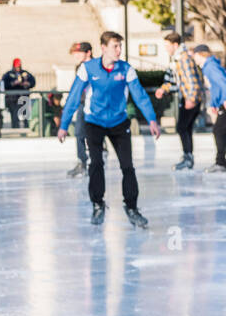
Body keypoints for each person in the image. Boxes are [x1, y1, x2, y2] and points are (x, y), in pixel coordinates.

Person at [57, 30, 161, 227]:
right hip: (94, 122)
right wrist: (64, 125)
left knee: (127, 166)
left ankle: (131, 207)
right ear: (103, 48)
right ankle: (98, 205)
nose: (119, 50)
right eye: (115, 46)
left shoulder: (125, 69)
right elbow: (73, 96)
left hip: (119, 122)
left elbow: (139, 95)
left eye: (120, 46)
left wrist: (152, 120)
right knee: (95, 164)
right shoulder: (88, 69)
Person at [155, 32, 203, 170]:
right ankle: (188, 156)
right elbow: (171, 80)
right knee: (185, 128)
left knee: (182, 127)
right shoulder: (176, 59)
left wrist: (191, 99)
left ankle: (188, 157)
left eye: (167, 46)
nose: (166, 48)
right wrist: (164, 89)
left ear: (175, 45)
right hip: (187, 98)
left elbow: (193, 81)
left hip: (190, 99)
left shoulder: (184, 59)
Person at [190, 44, 226, 173]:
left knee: (218, 130)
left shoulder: (210, 66)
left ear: (201, 54)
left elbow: (222, 82)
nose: (193, 58)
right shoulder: (209, 66)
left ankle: (221, 163)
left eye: (194, 55)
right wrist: (214, 103)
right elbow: (215, 87)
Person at [64, 41, 95, 177]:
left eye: (79, 53)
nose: (76, 56)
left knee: (94, 133)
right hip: (82, 104)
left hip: (94, 105)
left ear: (88, 52)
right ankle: (82, 162)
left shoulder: (96, 66)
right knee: (79, 132)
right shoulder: (79, 67)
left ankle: (96, 161)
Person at [0, 58, 35, 131]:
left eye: (19, 66)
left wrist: (27, 83)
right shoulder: (9, 74)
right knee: (14, 116)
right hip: (12, 98)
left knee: (25, 115)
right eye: (16, 67)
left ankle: (26, 128)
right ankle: (15, 129)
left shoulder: (25, 73)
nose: (18, 68)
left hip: (24, 97)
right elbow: (4, 84)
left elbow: (33, 82)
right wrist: (13, 83)